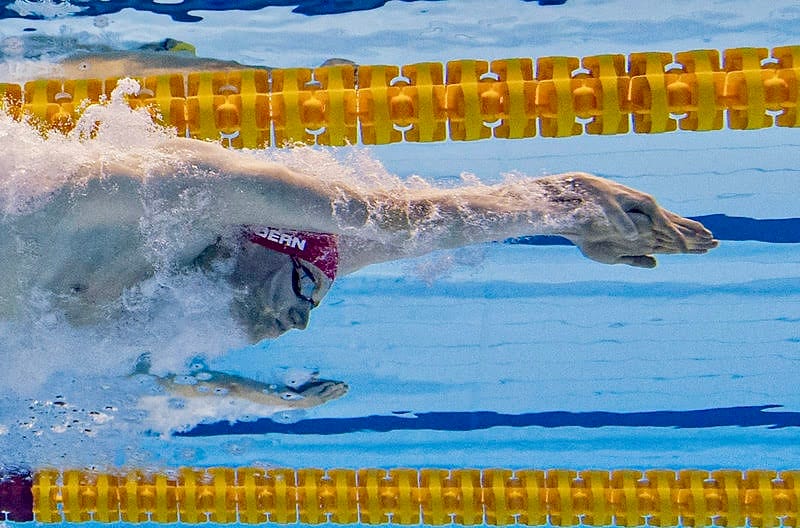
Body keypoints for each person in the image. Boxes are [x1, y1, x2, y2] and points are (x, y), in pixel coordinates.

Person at [0, 137, 717, 343]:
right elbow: (393, 221)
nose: (301, 321)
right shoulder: (181, 193)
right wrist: (564, 200)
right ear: (271, 242)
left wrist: (555, 222)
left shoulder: (173, 290)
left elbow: (373, 246)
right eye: (307, 291)